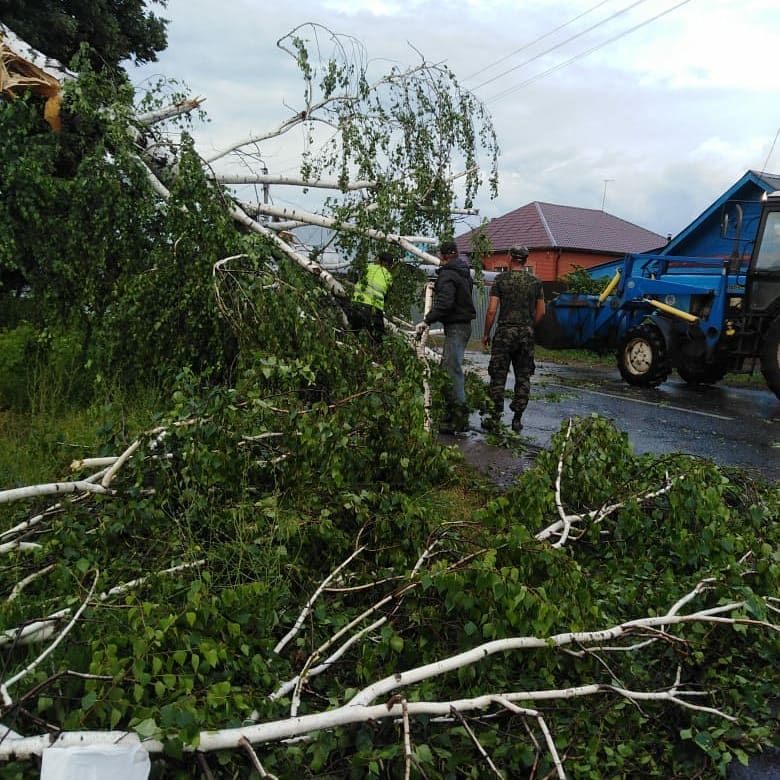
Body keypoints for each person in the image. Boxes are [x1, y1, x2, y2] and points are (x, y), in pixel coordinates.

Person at [481, 245, 546, 433]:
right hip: (525, 334)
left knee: (498, 375)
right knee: (523, 376)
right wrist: (529, 326)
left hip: (504, 334)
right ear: (525, 260)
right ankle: (517, 419)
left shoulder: (501, 280)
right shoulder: (535, 282)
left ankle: (494, 418)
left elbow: (492, 310)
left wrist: (486, 333)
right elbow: (541, 312)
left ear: (510, 258)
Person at [415, 239, 476, 434]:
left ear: (443, 255)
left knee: (452, 371)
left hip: (457, 327)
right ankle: (450, 414)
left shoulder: (449, 274)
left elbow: (446, 302)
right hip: (462, 326)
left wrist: (427, 320)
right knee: (447, 369)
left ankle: (459, 419)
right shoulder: (464, 273)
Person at [348, 250, 395, 343]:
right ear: (390, 264)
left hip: (356, 304)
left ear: (379, 260)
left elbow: (356, 277)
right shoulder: (388, 276)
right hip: (373, 308)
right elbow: (387, 294)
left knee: (354, 331)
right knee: (378, 336)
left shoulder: (368, 267)